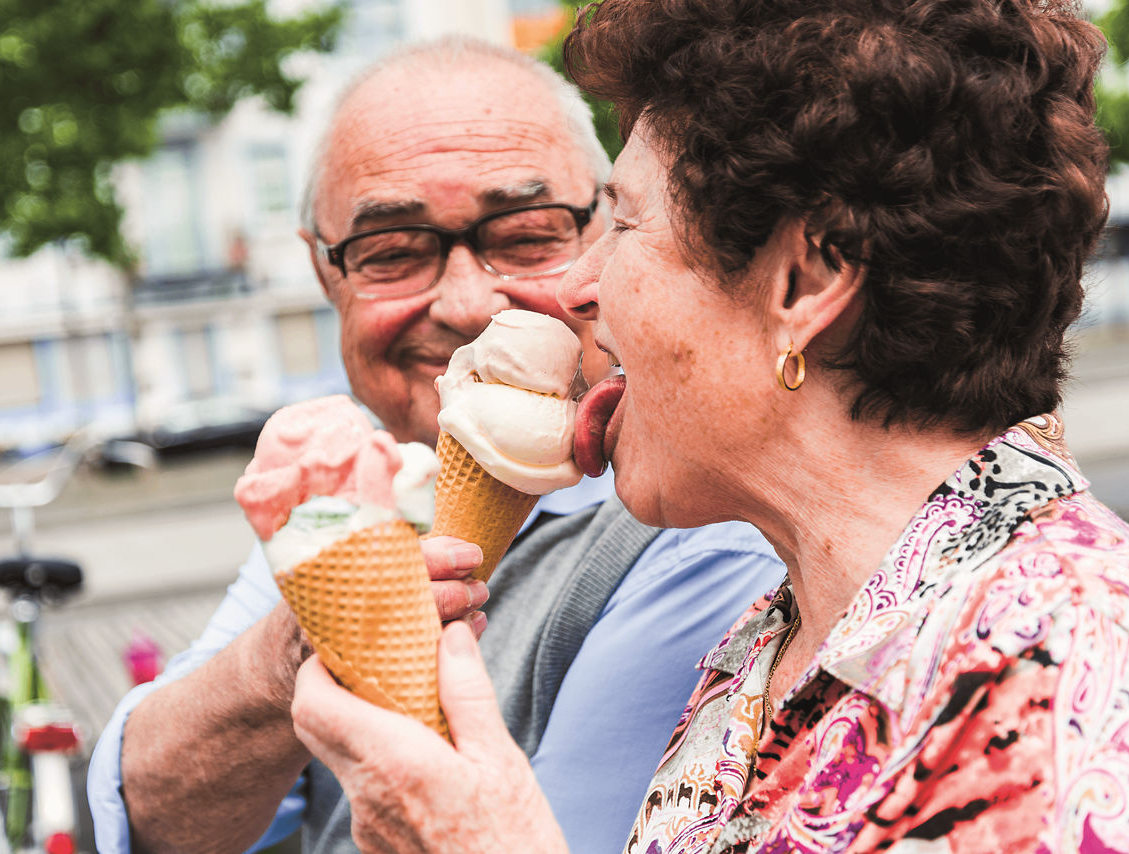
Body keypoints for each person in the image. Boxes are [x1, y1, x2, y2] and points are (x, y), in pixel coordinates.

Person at [289, 2, 1129, 853]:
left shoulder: (1071, 665)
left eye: (622, 222)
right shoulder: (764, 652)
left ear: (806, 283)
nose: (570, 289)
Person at [87, 36, 785, 854]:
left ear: (611, 236)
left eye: (526, 235)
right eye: (392, 253)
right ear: (327, 278)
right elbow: (156, 823)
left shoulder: (699, 525)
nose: (464, 302)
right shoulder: (362, 489)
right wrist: (293, 648)